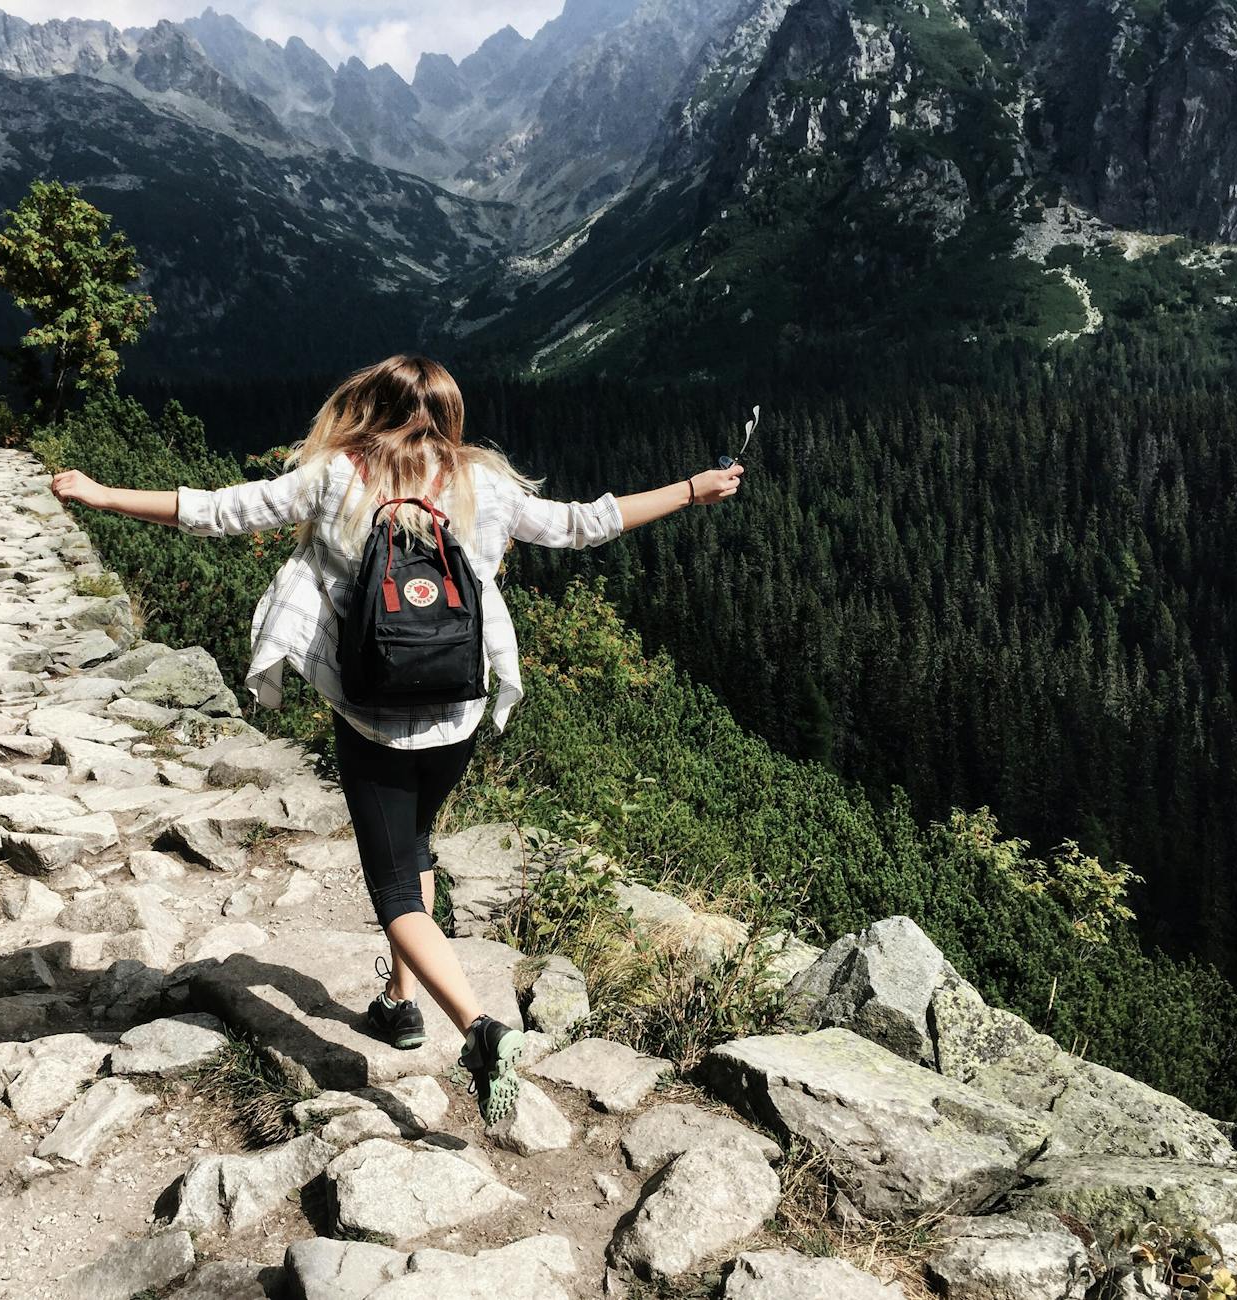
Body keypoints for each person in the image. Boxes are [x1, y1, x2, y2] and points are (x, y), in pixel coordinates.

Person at [50, 354, 743, 1123]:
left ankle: (478, 1031)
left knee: (390, 883)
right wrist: (691, 488)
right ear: (449, 415)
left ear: (367, 408)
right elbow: (585, 524)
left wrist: (102, 494)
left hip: (372, 715)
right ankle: (397, 1001)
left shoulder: (332, 476)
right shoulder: (484, 483)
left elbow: (219, 510)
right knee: (416, 846)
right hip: (456, 710)